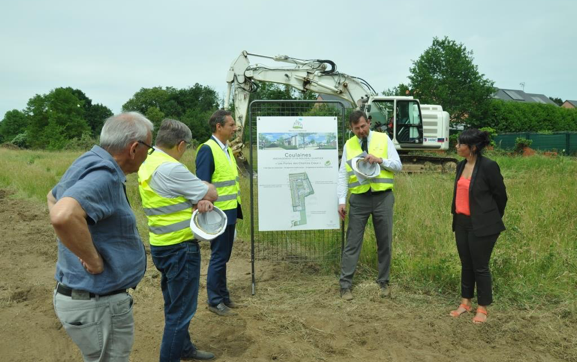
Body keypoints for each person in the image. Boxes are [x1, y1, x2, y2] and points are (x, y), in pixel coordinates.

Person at [47, 112, 154, 361]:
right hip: (97, 305)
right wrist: (92, 259)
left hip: (81, 299)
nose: (149, 154)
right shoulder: (104, 175)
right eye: (149, 147)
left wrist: (74, 246)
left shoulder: (88, 160)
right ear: (134, 148)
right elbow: (62, 215)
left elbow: (52, 197)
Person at [138, 119, 218, 361]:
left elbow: (175, 197)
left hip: (161, 245)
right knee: (180, 313)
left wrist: (195, 198)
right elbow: (211, 192)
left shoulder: (148, 163)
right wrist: (202, 191)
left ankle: (184, 348)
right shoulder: (172, 168)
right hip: (181, 248)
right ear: (181, 144)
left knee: (173, 304)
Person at [337, 110, 402, 301]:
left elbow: (398, 166)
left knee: (384, 242)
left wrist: (380, 160)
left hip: (383, 198)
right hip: (359, 200)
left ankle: (383, 282)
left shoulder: (383, 139)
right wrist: (342, 200)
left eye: (363, 126)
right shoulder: (349, 145)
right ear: (351, 128)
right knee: (352, 243)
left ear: (369, 123)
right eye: (356, 128)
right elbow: (342, 174)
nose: (361, 131)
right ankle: (345, 285)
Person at [449, 129, 507, 324]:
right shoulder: (460, 165)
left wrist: (489, 218)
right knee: (466, 263)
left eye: (460, 144)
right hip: (462, 222)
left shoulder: (489, 167)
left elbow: (501, 196)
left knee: (480, 266)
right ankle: (465, 302)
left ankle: (482, 307)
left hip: (483, 224)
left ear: (472, 148)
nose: (456, 146)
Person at [195, 110, 243, 316]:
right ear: (219, 127)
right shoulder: (208, 149)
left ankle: (223, 295)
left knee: (224, 256)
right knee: (218, 256)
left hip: (230, 210)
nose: (235, 128)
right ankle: (215, 300)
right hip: (219, 213)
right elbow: (203, 184)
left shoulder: (227, 149)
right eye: (231, 125)